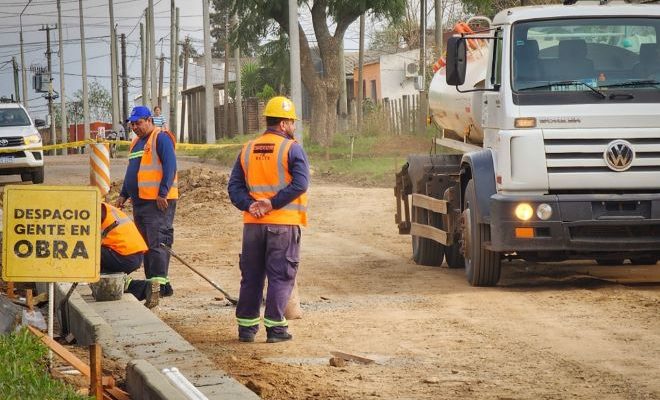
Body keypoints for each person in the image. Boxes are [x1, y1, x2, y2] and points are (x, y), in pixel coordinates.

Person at [228, 96, 310, 343]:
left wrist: (250, 205)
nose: (293, 127)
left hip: (253, 226)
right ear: (284, 123)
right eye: (292, 122)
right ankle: (275, 328)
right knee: (281, 275)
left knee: (251, 276)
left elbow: (234, 186)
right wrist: (272, 204)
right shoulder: (292, 148)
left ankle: (246, 328)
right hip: (283, 224)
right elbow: (301, 183)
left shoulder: (248, 148)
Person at [116, 105, 178, 298]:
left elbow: (170, 166)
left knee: (158, 241)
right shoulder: (136, 143)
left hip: (157, 202)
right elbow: (131, 172)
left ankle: (160, 284)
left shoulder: (161, 138)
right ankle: (154, 282)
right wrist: (123, 194)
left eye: (138, 123)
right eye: (132, 124)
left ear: (149, 120)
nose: (135, 127)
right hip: (140, 201)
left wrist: (163, 192)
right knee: (145, 243)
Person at [100, 202, 160, 308]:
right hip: (133, 255)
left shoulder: (93, 211)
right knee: (108, 276)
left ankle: (106, 283)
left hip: (122, 255)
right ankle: (144, 288)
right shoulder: (105, 208)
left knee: (86, 252)